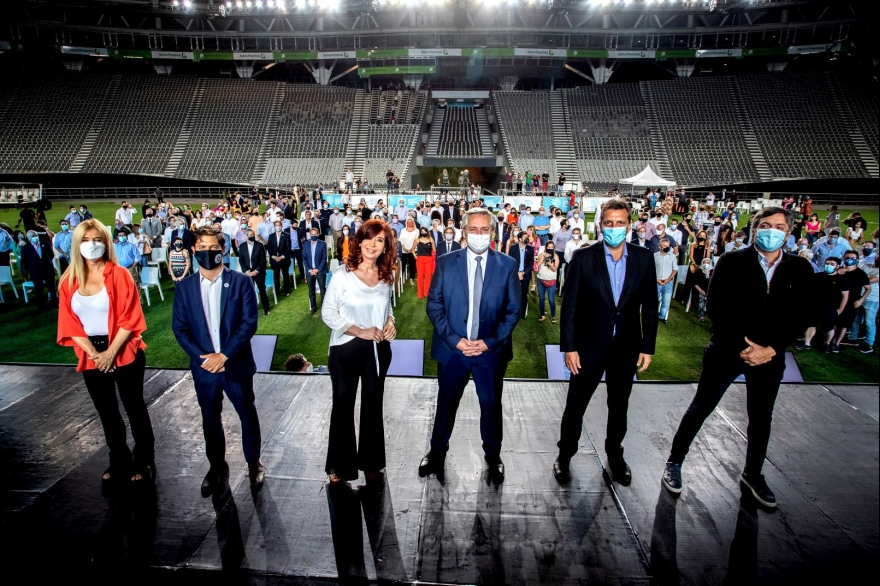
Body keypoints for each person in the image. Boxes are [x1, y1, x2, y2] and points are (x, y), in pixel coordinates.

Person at [662, 207, 814, 508]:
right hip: (727, 350)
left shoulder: (800, 268)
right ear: (755, 229)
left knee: (761, 418)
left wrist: (771, 348)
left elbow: (802, 314)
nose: (772, 231)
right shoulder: (732, 261)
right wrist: (745, 347)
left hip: (771, 356)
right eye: (766, 225)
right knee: (701, 407)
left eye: (779, 226)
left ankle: (753, 474)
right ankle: (674, 463)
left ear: (788, 232)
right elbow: (718, 307)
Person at [552, 200, 658, 486]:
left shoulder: (644, 258)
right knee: (576, 406)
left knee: (619, 406)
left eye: (620, 222)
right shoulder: (584, 258)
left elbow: (650, 306)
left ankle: (615, 455)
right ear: (601, 225)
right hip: (587, 348)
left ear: (630, 224)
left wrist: (648, 346)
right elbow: (570, 307)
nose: (614, 227)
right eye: (608, 223)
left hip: (625, 348)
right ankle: (564, 456)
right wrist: (569, 347)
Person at [419, 208, 520, 483]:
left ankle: (492, 455)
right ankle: (437, 452)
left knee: (490, 404)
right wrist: (456, 341)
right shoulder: (446, 262)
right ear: (464, 232)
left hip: (490, 353)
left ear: (492, 232)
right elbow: (434, 304)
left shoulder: (507, 265)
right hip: (453, 352)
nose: (479, 234)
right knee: (446, 402)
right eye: (473, 230)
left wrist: (487, 343)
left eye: (484, 229)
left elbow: (513, 310)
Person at [56, 219, 155, 488]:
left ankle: (144, 458)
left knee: (134, 407)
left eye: (97, 239)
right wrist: (94, 353)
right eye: (86, 240)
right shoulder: (68, 280)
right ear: (77, 244)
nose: (92, 245)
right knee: (107, 411)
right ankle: (118, 459)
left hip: (123, 349)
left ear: (106, 242)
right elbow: (69, 323)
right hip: (91, 353)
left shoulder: (119, 275)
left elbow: (130, 317)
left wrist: (111, 352)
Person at [171, 227, 266, 495]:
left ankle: (253, 462)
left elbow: (249, 323)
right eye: (201, 248)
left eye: (213, 247)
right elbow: (180, 329)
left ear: (222, 250)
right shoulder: (185, 288)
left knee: (247, 414)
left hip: (235, 364)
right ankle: (216, 466)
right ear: (193, 251)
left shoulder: (240, 282)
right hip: (205, 369)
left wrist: (224, 355)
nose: (207, 252)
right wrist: (206, 360)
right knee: (210, 418)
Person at [321, 220, 397, 484]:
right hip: (344, 348)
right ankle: (339, 464)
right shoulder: (343, 274)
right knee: (343, 404)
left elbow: (387, 308)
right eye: (369, 238)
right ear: (360, 239)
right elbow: (328, 313)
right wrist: (358, 330)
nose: (373, 245)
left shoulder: (387, 275)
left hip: (378, 350)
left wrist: (391, 323)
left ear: (386, 247)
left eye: (380, 241)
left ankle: (372, 461)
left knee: (373, 405)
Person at [833, 250, 871, 353]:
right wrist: (836, 273)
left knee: (845, 324)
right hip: (837, 300)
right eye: (847, 257)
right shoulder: (839, 271)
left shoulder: (861, 274)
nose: (849, 260)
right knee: (834, 322)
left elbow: (868, 288)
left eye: (852, 258)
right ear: (843, 258)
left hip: (852, 302)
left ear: (857, 260)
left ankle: (837, 343)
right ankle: (831, 340)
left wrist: (861, 300)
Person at [20, 229, 57, 309]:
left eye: (36, 235)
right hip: (35, 271)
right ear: (29, 238)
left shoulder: (46, 244)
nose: (35, 237)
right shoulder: (26, 248)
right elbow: (24, 261)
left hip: (47, 269)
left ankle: (55, 302)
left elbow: (51, 255)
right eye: (33, 236)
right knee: (38, 289)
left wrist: (46, 262)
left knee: (52, 288)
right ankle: (41, 305)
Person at [239, 229, 271, 316]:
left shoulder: (259, 245)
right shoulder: (242, 246)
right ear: (246, 236)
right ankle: (251, 310)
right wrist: (247, 271)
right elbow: (241, 260)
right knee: (249, 292)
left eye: (253, 234)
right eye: (250, 234)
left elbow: (263, 260)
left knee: (262, 291)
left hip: (259, 272)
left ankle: (266, 308)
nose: (252, 236)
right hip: (248, 273)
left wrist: (256, 270)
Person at [508, 232, 534, 320]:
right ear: (519, 239)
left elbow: (531, 264)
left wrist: (522, 273)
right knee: (513, 294)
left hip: (525, 275)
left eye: (527, 237)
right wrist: (517, 273)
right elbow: (510, 262)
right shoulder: (513, 248)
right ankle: (512, 312)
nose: (527, 238)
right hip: (515, 275)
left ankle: (522, 313)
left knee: (523, 294)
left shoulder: (530, 249)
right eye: (525, 237)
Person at [303, 227, 328, 314]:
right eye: (312, 234)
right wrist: (310, 269)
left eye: (315, 234)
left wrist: (317, 269)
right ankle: (313, 307)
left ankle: (323, 308)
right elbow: (304, 258)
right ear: (310, 235)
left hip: (320, 271)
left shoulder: (322, 244)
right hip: (310, 272)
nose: (313, 236)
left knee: (322, 290)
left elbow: (324, 258)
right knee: (311, 290)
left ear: (318, 234)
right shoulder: (305, 244)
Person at [655, 236, 677, 324]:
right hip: (657, 281)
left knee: (666, 301)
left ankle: (662, 316)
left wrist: (668, 280)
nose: (667, 247)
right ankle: (652, 314)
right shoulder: (654, 256)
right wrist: (657, 279)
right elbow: (651, 269)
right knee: (654, 300)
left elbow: (674, 269)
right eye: (664, 246)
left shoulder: (672, 256)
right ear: (660, 247)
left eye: (668, 245)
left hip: (668, 282)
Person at [535, 242, 559, 323]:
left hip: (551, 280)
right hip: (541, 279)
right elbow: (537, 264)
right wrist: (544, 257)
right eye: (548, 247)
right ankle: (542, 315)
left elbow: (554, 269)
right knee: (541, 298)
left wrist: (549, 263)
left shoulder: (555, 256)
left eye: (551, 247)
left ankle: (553, 316)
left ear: (554, 248)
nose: (550, 248)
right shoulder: (542, 254)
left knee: (551, 299)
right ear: (546, 247)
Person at [267, 220, 292, 297]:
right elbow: (269, 248)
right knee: (275, 275)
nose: (278, 227)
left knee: (285, 275)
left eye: (279, 225)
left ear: (281, 226)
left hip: (284, 259)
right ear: (274, 227)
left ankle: (286, 290)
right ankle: (277, 290)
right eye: (276, 225)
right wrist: (273, 257)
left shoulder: (286, 235)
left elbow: (288, 248)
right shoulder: (271, 236)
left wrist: (282, 257)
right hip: (274, 260)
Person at [414, 227, 436, 299]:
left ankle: (426, 293)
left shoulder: (431, 239)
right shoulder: (417, 240)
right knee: (420, 276)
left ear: (427, 232)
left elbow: (434, 250)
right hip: (420, 260)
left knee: (428, 277)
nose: (423, 233)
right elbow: (412, 249)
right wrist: (415, 257)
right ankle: (420, 294)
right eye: (422, 231)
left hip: (429, 260)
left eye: (425, 231)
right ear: (420, 232)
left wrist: (433, 258)